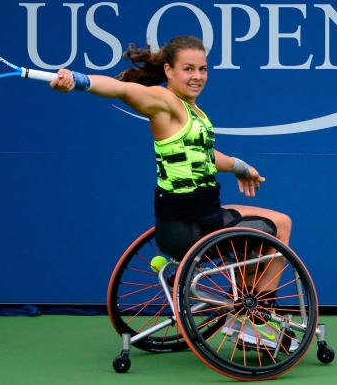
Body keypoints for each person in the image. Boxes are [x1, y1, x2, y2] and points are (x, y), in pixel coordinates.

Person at [50, 36, 293, 349]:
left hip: (190, 221)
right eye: (188, 69)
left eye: (202, 69)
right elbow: (123, 89)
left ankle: (241, 312)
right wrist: (79, 81)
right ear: (168, 70)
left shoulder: (193, 113)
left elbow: (204, 156)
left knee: (272, 221)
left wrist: (240, 167)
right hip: (193, 228)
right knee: (281, 226)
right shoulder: (164, 102)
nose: (197, 76)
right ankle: (253, 323)